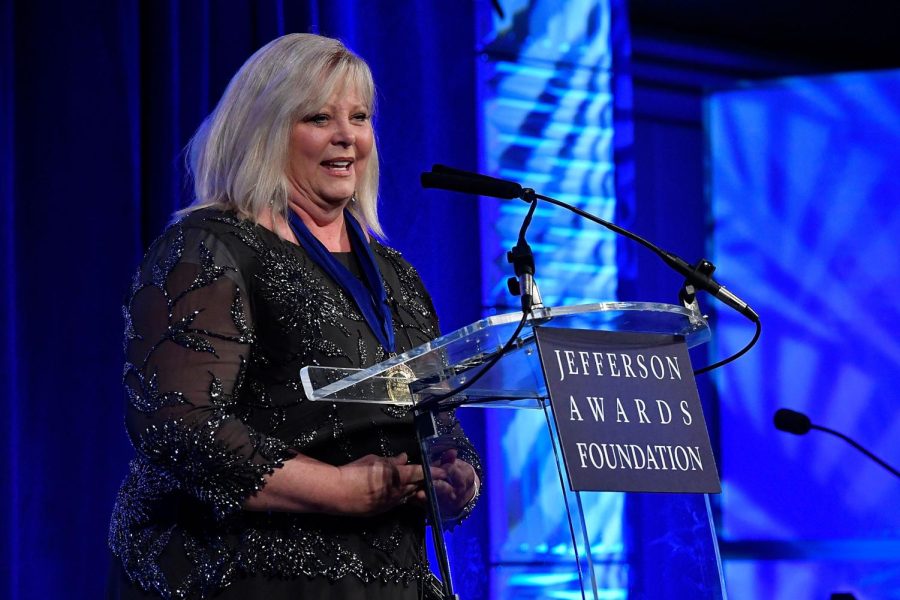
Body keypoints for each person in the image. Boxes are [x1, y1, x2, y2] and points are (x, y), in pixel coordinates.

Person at [107, 33, 481, 600]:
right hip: (251, 579)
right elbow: (179, 429)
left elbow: (437, 420)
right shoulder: (210, 247)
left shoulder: (397, 275)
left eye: (359, 117)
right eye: (318, 118)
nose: (347, 137)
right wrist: (336, 490)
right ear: (264, 131)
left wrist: (454, 477)